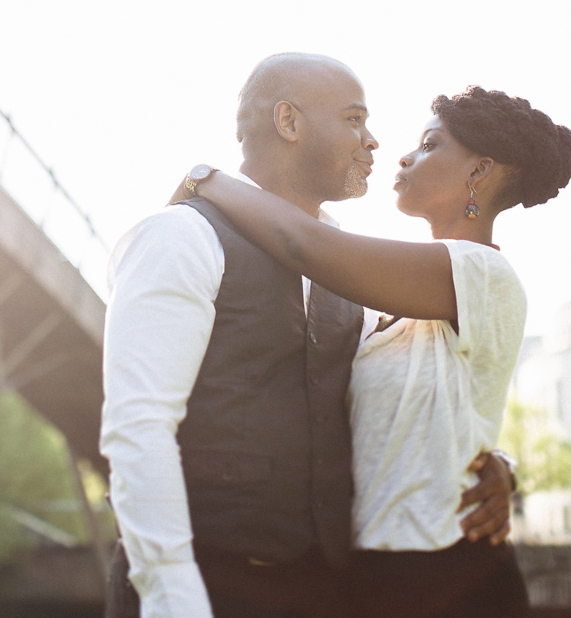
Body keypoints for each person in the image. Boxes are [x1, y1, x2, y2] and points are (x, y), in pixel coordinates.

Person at [100, 54, 514, 618]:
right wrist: (173, 596)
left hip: (325, 592)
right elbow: (138, 427)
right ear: (289, 122)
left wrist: (496, 462)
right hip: (205, 588)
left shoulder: (350, 272)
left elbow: (409, 398)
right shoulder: (181, 236)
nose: (373, 142)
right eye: (353, 119)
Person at [183, 80, 571, 618]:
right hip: (367, 578)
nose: (405, 156)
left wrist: (207, 181)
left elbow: (304, 244)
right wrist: (497, 462)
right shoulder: (380, 310)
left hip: (453, 574)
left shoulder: (484, 274)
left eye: (430, 144)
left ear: (479, 172)